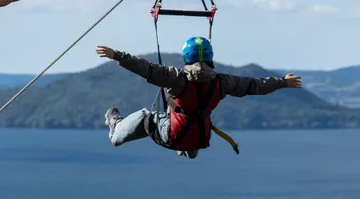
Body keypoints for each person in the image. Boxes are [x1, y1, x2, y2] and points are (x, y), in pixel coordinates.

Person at [96, 36, 302, 156]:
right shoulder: (222, 82)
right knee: (180, 112)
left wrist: (118, 56)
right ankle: (188, 149)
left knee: (144, 115)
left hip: (174, 136)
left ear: (186, 57)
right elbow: (254, 85)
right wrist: (283, 82)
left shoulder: (177, 78)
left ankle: (116, 132)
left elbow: (146, 69)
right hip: (200, 140)